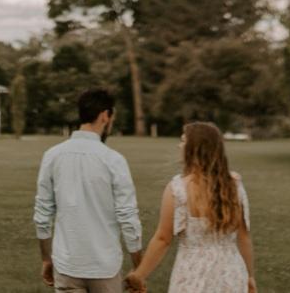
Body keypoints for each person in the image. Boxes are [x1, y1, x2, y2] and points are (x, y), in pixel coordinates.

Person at [124, 121, 257, 293]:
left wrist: (139, 275)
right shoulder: (235, 185)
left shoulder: (178, 189)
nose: (179, 145)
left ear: (194, 149)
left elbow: (163, 239)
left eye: (183, 141)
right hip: (231, 273)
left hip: (192, 275)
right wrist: (249, 276)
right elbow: (244, 237)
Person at [33, 88, 144, 292]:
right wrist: (139, 268)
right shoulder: (114, 160)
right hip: (105, 267)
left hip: (66, 265)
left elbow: (42, 215)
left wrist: (46, 259)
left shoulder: (52, 155)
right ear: (105, 116)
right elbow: (128, 217)